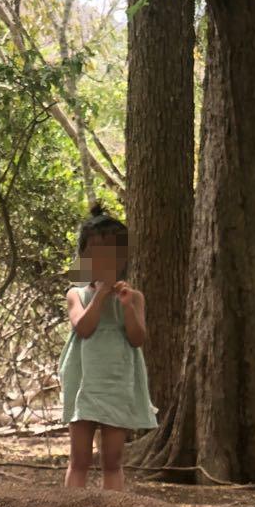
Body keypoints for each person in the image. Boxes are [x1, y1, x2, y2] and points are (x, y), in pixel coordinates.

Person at [58, 201, 155, 490]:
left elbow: (137, 338)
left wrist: (126, 306)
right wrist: (100, 294)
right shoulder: (76, 294)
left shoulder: (134, 297)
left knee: (112, 461)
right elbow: (85, 329)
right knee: (79, 460)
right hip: (83, 385)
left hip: (117, 384)